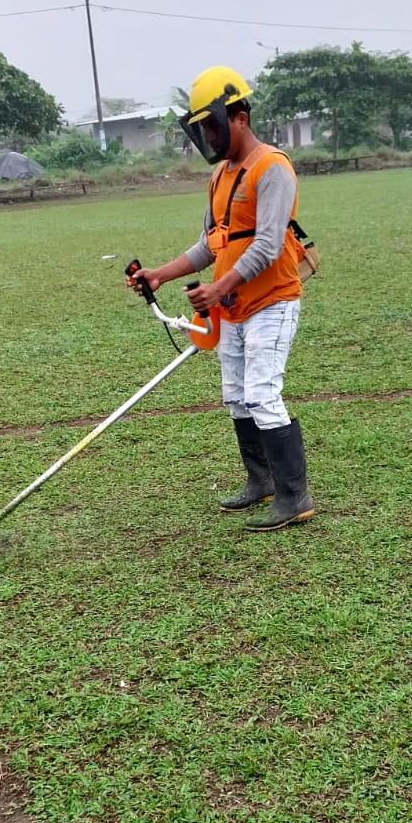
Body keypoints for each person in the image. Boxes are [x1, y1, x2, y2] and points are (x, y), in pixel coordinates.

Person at [128, 65, 314, 530]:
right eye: (202, 128)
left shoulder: (272, 167)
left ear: (240, 118)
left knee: (262, 395)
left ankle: (294, 496)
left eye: (213, 125)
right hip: (232, 309)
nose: (209, 136)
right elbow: (209, 246)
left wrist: (217, 289)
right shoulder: (220, 178)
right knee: (236, 397)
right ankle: (261, 480)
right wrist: (160, 275)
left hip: (272, 301)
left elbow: (267, 245)